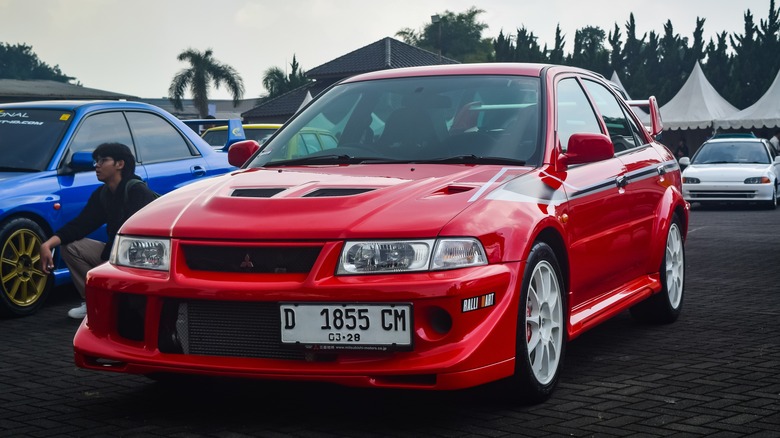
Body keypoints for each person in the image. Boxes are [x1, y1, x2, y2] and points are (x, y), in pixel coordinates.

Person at [40, 142, 158, 319]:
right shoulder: (102, 194)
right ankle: (93, 302)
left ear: (120, 164)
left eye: (103, 160)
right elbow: (81, 224)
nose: (97, 165)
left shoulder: (138, 192)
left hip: (141, 261)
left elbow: (148, 238)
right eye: (96, 161)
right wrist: (48, 244)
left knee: (131, 313)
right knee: (70, 246)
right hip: (114, 256)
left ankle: (123, 303)